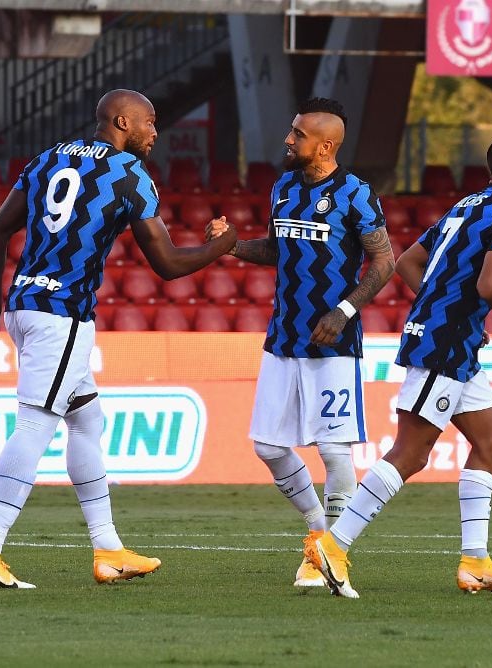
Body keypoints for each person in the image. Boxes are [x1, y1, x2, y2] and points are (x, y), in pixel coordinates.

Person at [0, 89, 237, 589]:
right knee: (36, 425)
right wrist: (223, 246)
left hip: (26, 306)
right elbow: (168, 265)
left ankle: (108, 550)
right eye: (150, 123)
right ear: (123, 121)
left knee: (88, 418)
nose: (155, 132)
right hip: (62, 315)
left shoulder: (48, 158)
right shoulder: (130, 176)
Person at [307, 134, 492, 598]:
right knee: (412, 452)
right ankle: (333, 546)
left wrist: (442, 306)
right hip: (443, 344)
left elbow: (407, 262)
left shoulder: (468, 205)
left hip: (454, 342)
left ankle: (475, 563)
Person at [209, 98, 395, 589]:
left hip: (333, 341)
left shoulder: (356, 193)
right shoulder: (285, 187)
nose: (288, 140)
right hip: (283, 336)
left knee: (334, 452)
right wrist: (231, 247)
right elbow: (277, 247)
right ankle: (318, 536)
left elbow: (384, 263)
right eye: (291, 131)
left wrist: (344, 311)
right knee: (268, 446)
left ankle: (332, 554)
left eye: (298, 134)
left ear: (326, 145)